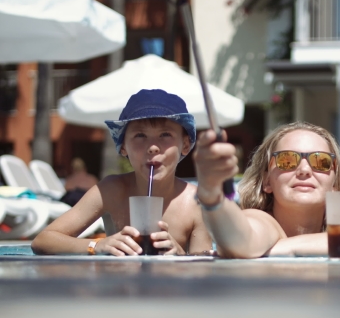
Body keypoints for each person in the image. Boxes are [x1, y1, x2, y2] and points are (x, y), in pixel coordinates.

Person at [32, 89, 212, 256]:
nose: (153, 147)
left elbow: (205, 273)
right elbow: (43, 240)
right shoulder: (111, 190)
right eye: (140, 135)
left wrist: (180, 255)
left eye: (165, 134)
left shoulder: (197, 203)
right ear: (123, 146)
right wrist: (97, 245)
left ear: (186, 145)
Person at [194, 121, 340, 258]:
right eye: (287, 160)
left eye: (320, 161)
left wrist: (289, 246)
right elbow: (240, 241)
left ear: (335, 183)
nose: (304, 170)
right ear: (267, 181)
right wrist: (212, 194)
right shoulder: (265, 221)